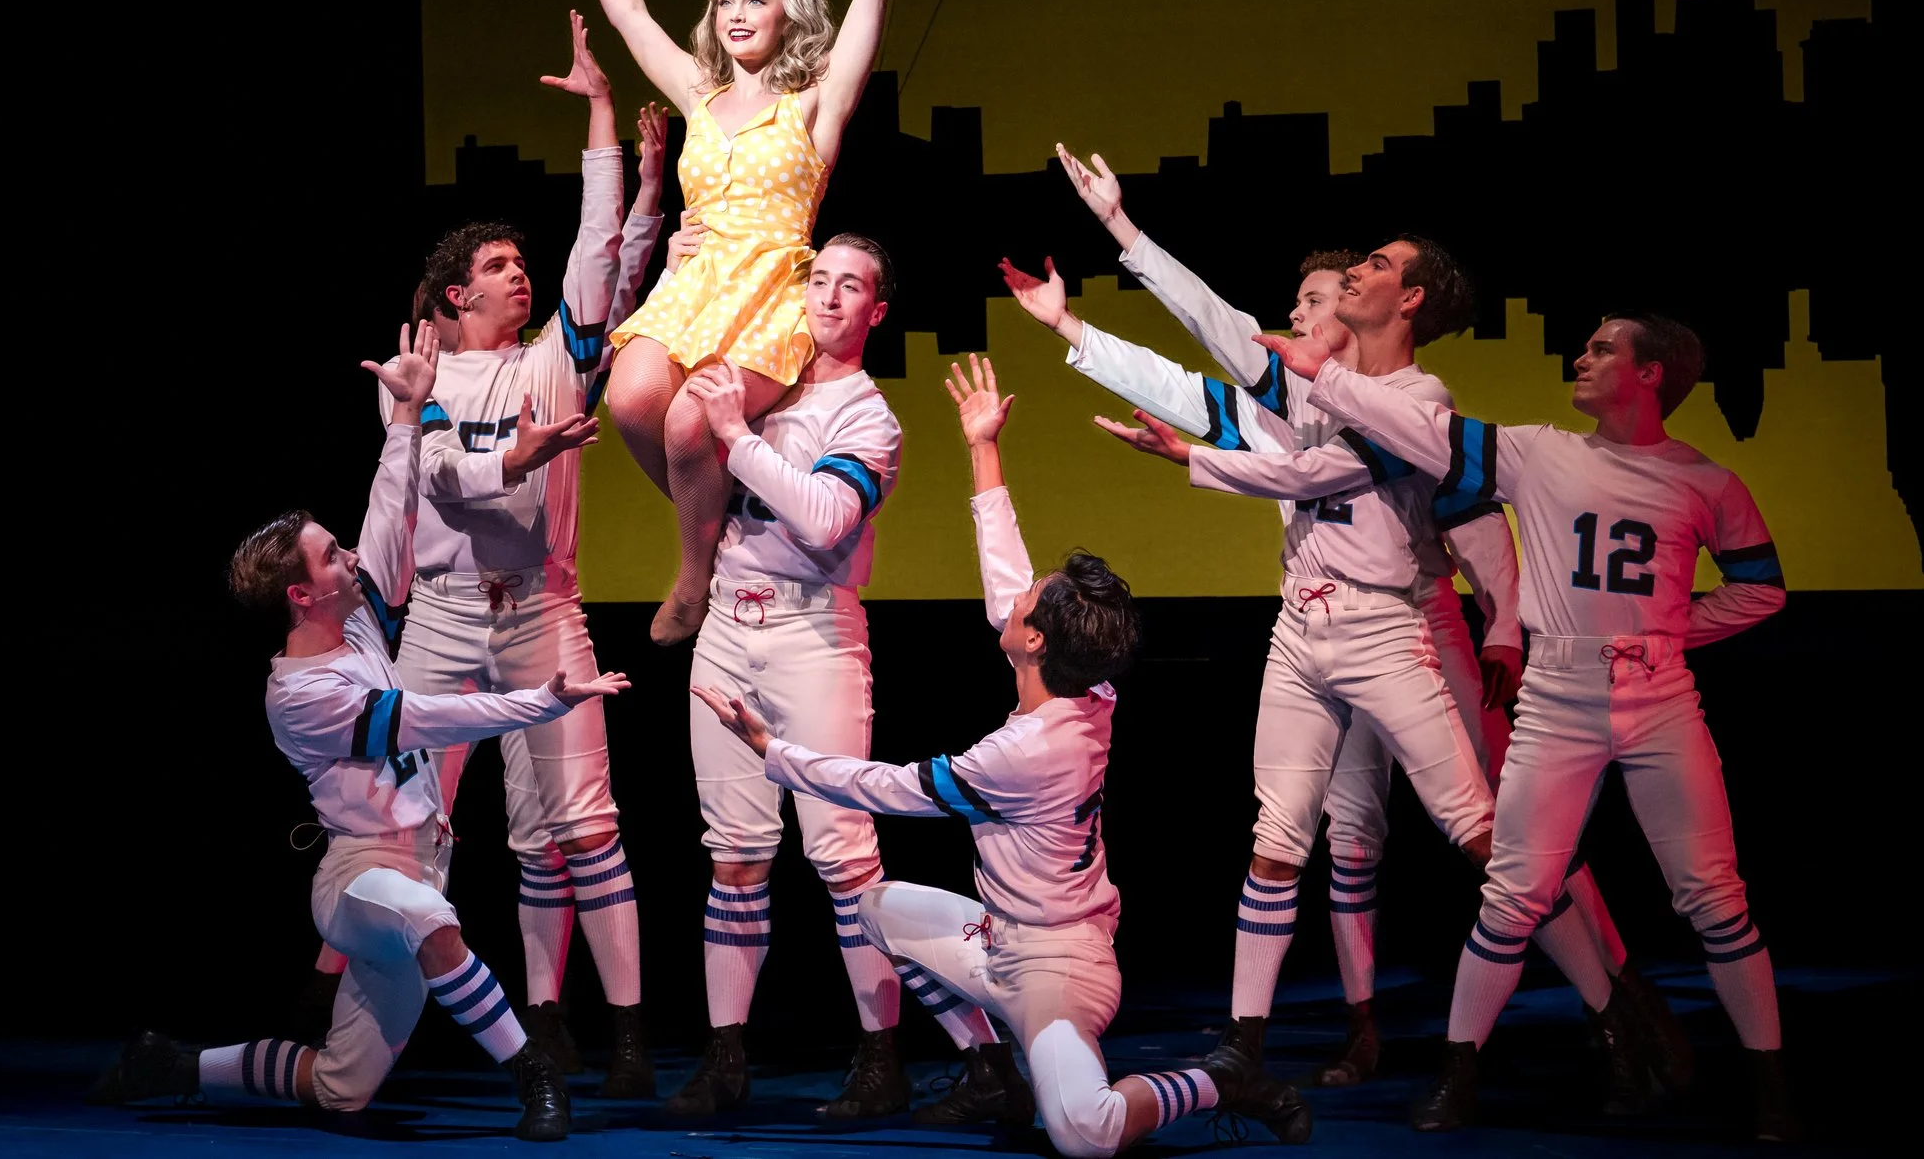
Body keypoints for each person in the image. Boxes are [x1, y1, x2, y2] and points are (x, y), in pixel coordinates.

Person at [1016, 149, 1685, 1097]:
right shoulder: (1299, 393)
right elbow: (1205, 339)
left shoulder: (1418, 401)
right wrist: (1116, 239)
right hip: (1304, 626)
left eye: (1335, 289)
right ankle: (1250, 1043)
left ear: (1396, 304)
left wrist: (1503, 620)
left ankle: (1617, 1002)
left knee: (1479, 826)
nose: (1304, 309)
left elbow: (1355, 485)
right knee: (1289, 831)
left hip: (1394, 626)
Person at [697, 356, 1312, 1154]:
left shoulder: (1020, 753)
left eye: (1024, 605)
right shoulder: (1090, 690)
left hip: (1059, 969)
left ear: (1036, 641)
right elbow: (1005, 570)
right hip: (997, 940)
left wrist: (773, 751)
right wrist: (983, 446)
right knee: (875, 908)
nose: (1011, 600)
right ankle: (990, 1071)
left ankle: (1224, 1080)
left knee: (1085, 1130)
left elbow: (888, 786)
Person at [1256, 315, 1796, 1142]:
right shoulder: (1540, 451)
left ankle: (1770, 1089)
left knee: (1715, 894)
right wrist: (1323, 377)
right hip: (1558, 698)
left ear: (1651, 373)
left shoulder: (1706, 482)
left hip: (1660, 698)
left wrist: (1665, 629)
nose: (1581, 355)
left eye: (1603, 347)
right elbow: (1421, 427)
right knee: (1512, 891)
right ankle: (1458, 1076)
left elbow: (1761, 586)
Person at [87, 323, 630, 1139]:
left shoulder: (356, 618)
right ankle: (535, 1073)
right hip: (360, 878)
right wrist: (540, 700)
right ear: (301, 596)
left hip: (420, 863)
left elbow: (389, 503)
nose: (348, 555)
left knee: (342, 1087)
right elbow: (429, 716)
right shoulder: (301, 694)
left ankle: (174, 1064)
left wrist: (407, 414)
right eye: (330, 555)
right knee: (428, 919)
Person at [544, 0, 926, 645]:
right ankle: (716, 528)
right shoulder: (700, 92)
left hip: (769, 287)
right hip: (695, 280)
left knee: (692, 420)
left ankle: (694, 577)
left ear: (789, 13)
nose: (739, 13)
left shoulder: (813, 101)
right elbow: (631, 17)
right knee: (632, 400)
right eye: (726, 2)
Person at [660, 233, 1002, 1126]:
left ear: (876, 311)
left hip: (814, 634)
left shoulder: (868, 417)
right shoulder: (763, 385)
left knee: (843, 855)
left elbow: (820, 518)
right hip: (728, 624)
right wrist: (681, 267)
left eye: (851, 287)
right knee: (734, 853)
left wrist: (736, 435)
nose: (829, 297)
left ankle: (883, 1056)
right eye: (819, 279)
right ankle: (725, 1057)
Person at [382, 15, 653, 1093]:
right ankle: (367, 1017)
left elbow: (599, 247)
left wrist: (601, 115)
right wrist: (520, 456)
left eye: (521, 263)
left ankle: (618, 1036)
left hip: (540, 610)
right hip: (443, 617)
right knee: (407, 819)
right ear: (458, 294)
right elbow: (442, 481)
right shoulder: (417, 381)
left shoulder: (554, 364)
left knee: (581, 825)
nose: (520, 274)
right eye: (499, 266)